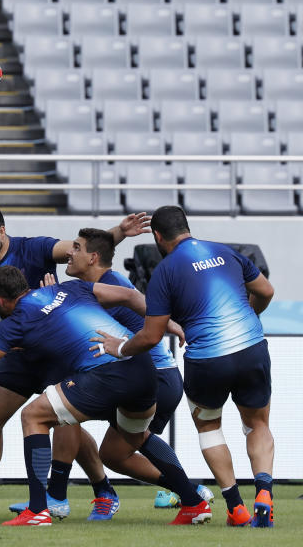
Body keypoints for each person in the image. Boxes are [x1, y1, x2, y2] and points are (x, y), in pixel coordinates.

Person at [0, 266, 212, 528]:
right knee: (121, 449)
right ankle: (193, 501)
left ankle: (39, 509)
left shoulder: (17, 321)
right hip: (143, 368)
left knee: (34, 416)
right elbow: (129, 295)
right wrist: (168, 323)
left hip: (108, 373)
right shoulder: (70, 288)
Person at [0, 203, 150, 521]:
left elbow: (77, 250)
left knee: (65, 419)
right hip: (19, 351)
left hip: (60, 348)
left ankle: (97, 492)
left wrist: (117, 232)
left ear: (2, 231)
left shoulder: (35, 248)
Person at [92, 206, 276, 528]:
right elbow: (266, 290)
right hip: (251, 349)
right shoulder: (225, 252)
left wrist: (119, 347)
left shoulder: (166, 270)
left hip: (207, 360)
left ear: (158, 236)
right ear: (187, 227)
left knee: (209, 428)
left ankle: (236, 507)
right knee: (257, 425)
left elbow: (150, 336)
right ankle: (264, 492)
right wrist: (251, 314)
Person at [62, 228, 214, 508]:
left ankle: (54, 498)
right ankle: (190, 492)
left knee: (61, 410)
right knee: (114, 453)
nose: (68, 253)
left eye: (76, 247)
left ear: (94, 258)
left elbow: (144, 305)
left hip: (153, 377)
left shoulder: (111, 286)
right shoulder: (99, 286)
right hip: (153, 377)